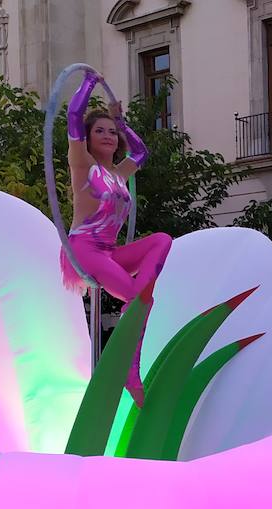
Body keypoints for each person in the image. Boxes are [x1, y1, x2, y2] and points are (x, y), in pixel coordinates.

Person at [62, 74, 170, 405]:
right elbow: (73, 117)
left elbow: (141, 152)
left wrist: (121, 121)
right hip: (83, 250)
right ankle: (129, 369)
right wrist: (87, 84)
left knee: (162, 240)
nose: (108, 136)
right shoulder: (83, 165)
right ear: (89, 139)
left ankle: (138, 301)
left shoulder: (119, 174)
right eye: (101, 131)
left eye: (111, 132)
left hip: (109, 252)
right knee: (140, 302)